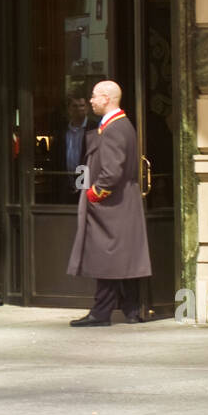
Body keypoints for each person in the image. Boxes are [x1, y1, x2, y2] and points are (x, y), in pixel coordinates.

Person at [67, 81, 152, 326]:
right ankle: (131, 309)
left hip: (112, 206)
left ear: (106, 98)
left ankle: (101, 313)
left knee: (107, 259)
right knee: (120, 259)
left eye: (94, 96)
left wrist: (95, 193)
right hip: (119, 205)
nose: (91, 101)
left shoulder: (115, 128)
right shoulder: (117, 125)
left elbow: (112, 172)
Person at [53, 90, 97, 202]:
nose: (79, 109)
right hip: (65, 184)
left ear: (87, 108)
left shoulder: (95, 129)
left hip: (88, 184)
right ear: (69, 109)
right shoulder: (61, 130)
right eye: (75, 106)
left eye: (82, 105)